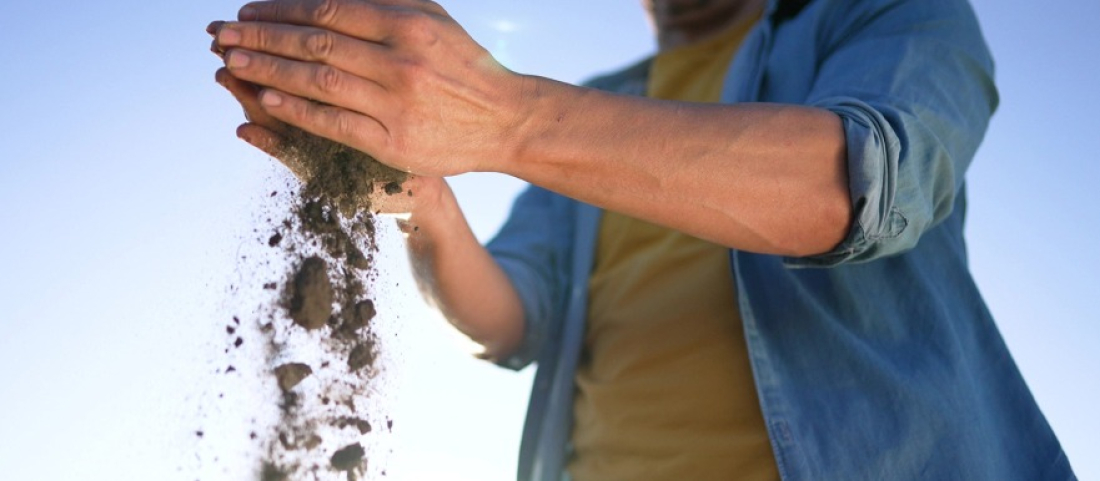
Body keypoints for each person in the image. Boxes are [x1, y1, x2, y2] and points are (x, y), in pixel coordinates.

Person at [208, 0, 1076, 479]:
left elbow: (846, 186)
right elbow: (511, 320)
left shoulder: (879, 17)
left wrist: (505, 117)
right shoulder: (598, 99)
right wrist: (426, 200)